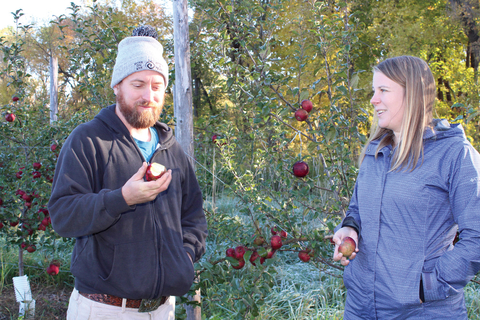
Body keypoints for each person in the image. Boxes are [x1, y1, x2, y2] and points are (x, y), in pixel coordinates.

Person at [48, 25, 208, 319]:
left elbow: (193, 216)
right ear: (117, 86)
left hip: (162, 309)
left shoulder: (172, 150)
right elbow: (62, 215)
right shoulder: (89, 140)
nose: (148, 95)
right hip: (104, 308)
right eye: (138, 84)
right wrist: (121, 198)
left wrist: (184, 256)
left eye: (157, 86)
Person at [332, 55, 480, 319]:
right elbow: (356, 209)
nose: (373, 99)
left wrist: (428, 287)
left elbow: (477, 237)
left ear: (411, 94)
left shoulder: (454, 154)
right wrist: (350, 229)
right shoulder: (376, 151)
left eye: (383, 90)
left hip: (422, 311)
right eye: (373, 91)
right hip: (361, 307)